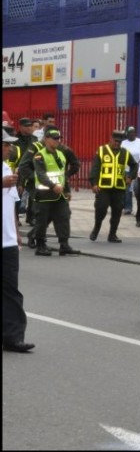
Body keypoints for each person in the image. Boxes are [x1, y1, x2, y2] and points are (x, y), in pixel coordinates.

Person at [20, 126, 79, 256]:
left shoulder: (60, 154)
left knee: (64, 217)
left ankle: (64, 245)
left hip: (59, 194)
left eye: (58, 138)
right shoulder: (39, 154)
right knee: (42, 219)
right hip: (43, 194)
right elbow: (38, 174)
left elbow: (62, 174)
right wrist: (51, 185)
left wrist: (67, 190)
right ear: (46, 139)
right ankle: (40, 245)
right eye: (54, 139)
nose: (57, 141)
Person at [2, 130, 34, 353]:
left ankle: (13, 337)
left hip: (7, 242)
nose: (10, 148)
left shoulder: (6, 169)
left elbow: (12, 204)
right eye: (6, 144)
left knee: (11, 290)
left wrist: (16, 231)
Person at [88, 129, 138, 243]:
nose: (117, 144)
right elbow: (95, 168)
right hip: (103, 187)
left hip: (119, 188)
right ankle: (96, 228)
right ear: (111, 139)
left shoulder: (125, 152)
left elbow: (134, 165)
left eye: (119, 142)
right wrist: (94, 183)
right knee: (101, 209)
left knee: (117, 211)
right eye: (115, 141)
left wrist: (130, 177)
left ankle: (112, 234)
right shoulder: (101, 151)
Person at [121, 126, 140, 216]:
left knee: (137, 189)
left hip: (139, 169)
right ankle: (128, 208)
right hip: (127, 169)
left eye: (133, 132)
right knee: (127, 190)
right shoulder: (123, 143)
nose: (132, 134)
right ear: (126, 134)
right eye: (130, 132)